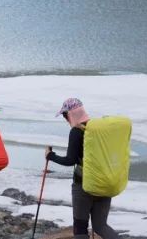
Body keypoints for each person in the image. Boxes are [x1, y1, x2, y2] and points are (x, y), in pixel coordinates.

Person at [47, 98, 121, 239]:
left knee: (80, 228)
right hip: (104, 183)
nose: (65, 119)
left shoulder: (77, 131)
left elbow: (70, 160)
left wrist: (50, 156)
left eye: (65, 115)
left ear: (71, 114)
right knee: (101, 226)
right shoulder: (97, 129)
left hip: (83, 186)